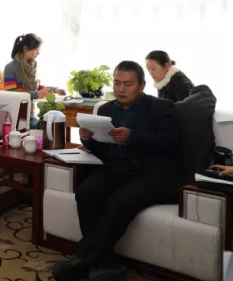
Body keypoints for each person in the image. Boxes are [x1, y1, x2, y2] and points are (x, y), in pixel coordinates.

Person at [52, 61, 181, 281]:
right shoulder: (106, 110)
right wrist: (88, 139)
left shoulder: (161, 107)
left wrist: (132, 136)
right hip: (117, 168)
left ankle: (84, 259)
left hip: (149, 173)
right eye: (117, 83)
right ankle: (106, 263)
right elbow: (102, 150)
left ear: (141, 85)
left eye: (128, 84)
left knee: (121, 201)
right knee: (86, 192)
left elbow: (172, 142)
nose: (121, 89)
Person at [3, 33, 65, 128]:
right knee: (45, 128)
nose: (38, 53)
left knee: (51, 126)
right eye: (36, 49)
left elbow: (36, 87)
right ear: (25, 48)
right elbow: (13, 95)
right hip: (16, 116)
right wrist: (37, 94)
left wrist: (54, 89)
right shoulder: (10, 68)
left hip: (30, 115)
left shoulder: (31, 66)